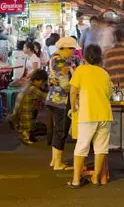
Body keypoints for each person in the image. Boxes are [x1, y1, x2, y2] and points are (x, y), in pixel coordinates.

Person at [69, 44, 113, 189]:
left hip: (88, 114)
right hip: (105, 114)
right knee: (101, 148)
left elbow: (73, 91)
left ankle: (76, 180)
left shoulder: (80, 70)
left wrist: (73, 106)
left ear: (86, 57)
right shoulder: (104, 73)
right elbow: (110, 94)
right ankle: (95, 178)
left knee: (82, 146)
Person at [46, 37, 80, 171]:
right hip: (60, 100)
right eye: (72, 50)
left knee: (58, 130)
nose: (74, 53)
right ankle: (58, 163)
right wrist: (76, 91)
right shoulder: (59, 61)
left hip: (55, 99)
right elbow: (65, 83)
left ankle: (55, 160)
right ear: (65, 48)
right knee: (61, 130)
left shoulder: (59, 58)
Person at [10, 69, 48, 145]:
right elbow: (46, 97)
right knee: (43, 128)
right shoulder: (33, 89)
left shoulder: (27, 83)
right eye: (42, 82)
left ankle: (28, 135)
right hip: (24, 115)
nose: (42, 84)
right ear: (38, 80)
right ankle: (25, 136)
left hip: (17, 113)